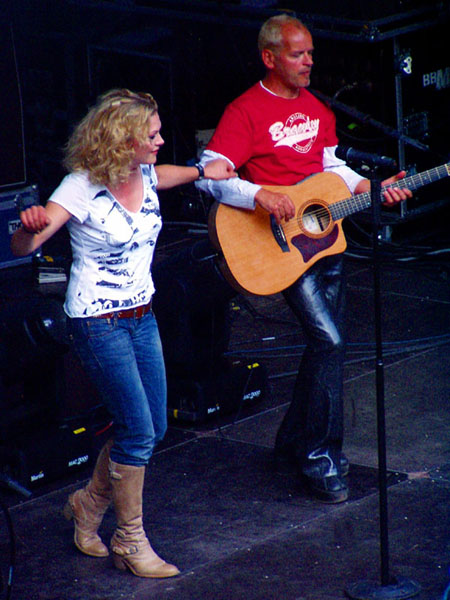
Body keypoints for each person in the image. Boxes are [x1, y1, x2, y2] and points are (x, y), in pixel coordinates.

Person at [11, 88, 236, 577]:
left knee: (153, 427)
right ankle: (129, 540)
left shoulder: (144, 172)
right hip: (97, 323)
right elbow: (24, 245)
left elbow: (166, 175)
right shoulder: (79, 187)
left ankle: (88, 505)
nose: (159, 141)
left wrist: (203, 172)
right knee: (137, 429)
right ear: (122, 139)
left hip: (142, 316)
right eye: (151, 135)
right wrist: (28, 228)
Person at [196, 14, 412, 503]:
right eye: (298, 54)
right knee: (330, 341)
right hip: (279, 245)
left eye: (311, 53)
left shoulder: (317, 107)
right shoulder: (245, 111)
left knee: (326, 346)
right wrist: (258, 194)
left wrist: (370, 186)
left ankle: (293, 440)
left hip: (324, 240)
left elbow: (331, 167)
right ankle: (320, 458)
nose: (309, 61)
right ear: (270, 58)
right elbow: (209, 175)